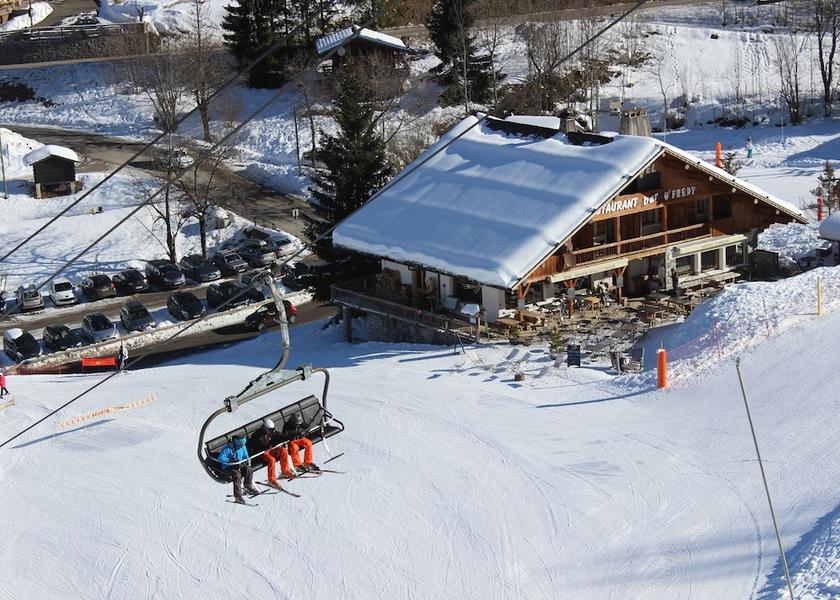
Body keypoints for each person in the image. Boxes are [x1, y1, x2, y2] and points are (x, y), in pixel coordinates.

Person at [218, 435, 259, 503]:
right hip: (229, 467)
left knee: (248, 469)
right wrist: (230, 460)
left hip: (239, 464)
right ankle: (238, 496)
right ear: (236, 443)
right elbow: (220, 458)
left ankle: (248, 487)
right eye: (240, 445)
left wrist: (246, 460)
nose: (242, 446)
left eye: (243, 444)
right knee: (237, 475)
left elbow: (246, 455)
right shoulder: (227, 448)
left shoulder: (242, 446)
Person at [280, 413, 318, 478]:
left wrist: (302, 433)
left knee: (308, 443)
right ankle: (297, 465)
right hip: (291, 441)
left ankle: (307, 462)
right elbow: (285, 435)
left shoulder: (300, 423)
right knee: (295, 448)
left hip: (300, 438)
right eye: (296, 424)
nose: (298, 425)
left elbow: (308, 427)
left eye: (299, 424)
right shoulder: (287, 425)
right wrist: (293, 436)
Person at [251, 418, 285, 490]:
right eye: (270, 430)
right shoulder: (257, 435)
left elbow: (279, 435)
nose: (271, 431)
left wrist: (284, 438)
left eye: (272, 429)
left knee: (283, 450)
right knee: (272, 460)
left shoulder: (271, 433)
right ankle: (272, 480)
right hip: (261, 453)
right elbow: (258, 447)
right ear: (265, 428)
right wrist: (268, 447)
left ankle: (285, 471)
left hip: (269, 450)